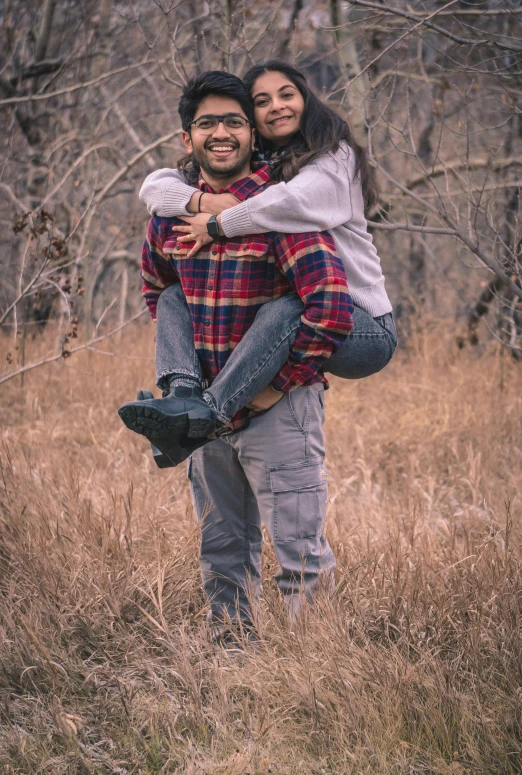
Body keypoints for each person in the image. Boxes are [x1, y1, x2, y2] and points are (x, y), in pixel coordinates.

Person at [119, 70, 354, 636]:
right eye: (207, 123)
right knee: (223, 551)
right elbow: (157, 290)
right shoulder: (170, 216)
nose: (220, 133)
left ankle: (313, 675)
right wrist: (187, 371)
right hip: (202, 414)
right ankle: (229, 660)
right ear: (187, 138)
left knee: (299, 554)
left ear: (252, 134)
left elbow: (329, 307)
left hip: (279, 410)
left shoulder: (280, 211)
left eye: (233, 122)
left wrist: (277, 387)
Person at [134, 60, 396, 438]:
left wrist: (218, 224)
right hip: (325, 309)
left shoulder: (334, 160)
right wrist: (202, 201)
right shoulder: (277, 163)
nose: (277, 105)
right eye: (263, 100)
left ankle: (211, 411)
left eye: (287, 94)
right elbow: (154, 188)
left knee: (289, 308)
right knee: (175, 295)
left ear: (306, 99)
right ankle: (182, 394)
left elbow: (284, 205)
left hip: (366, 326)